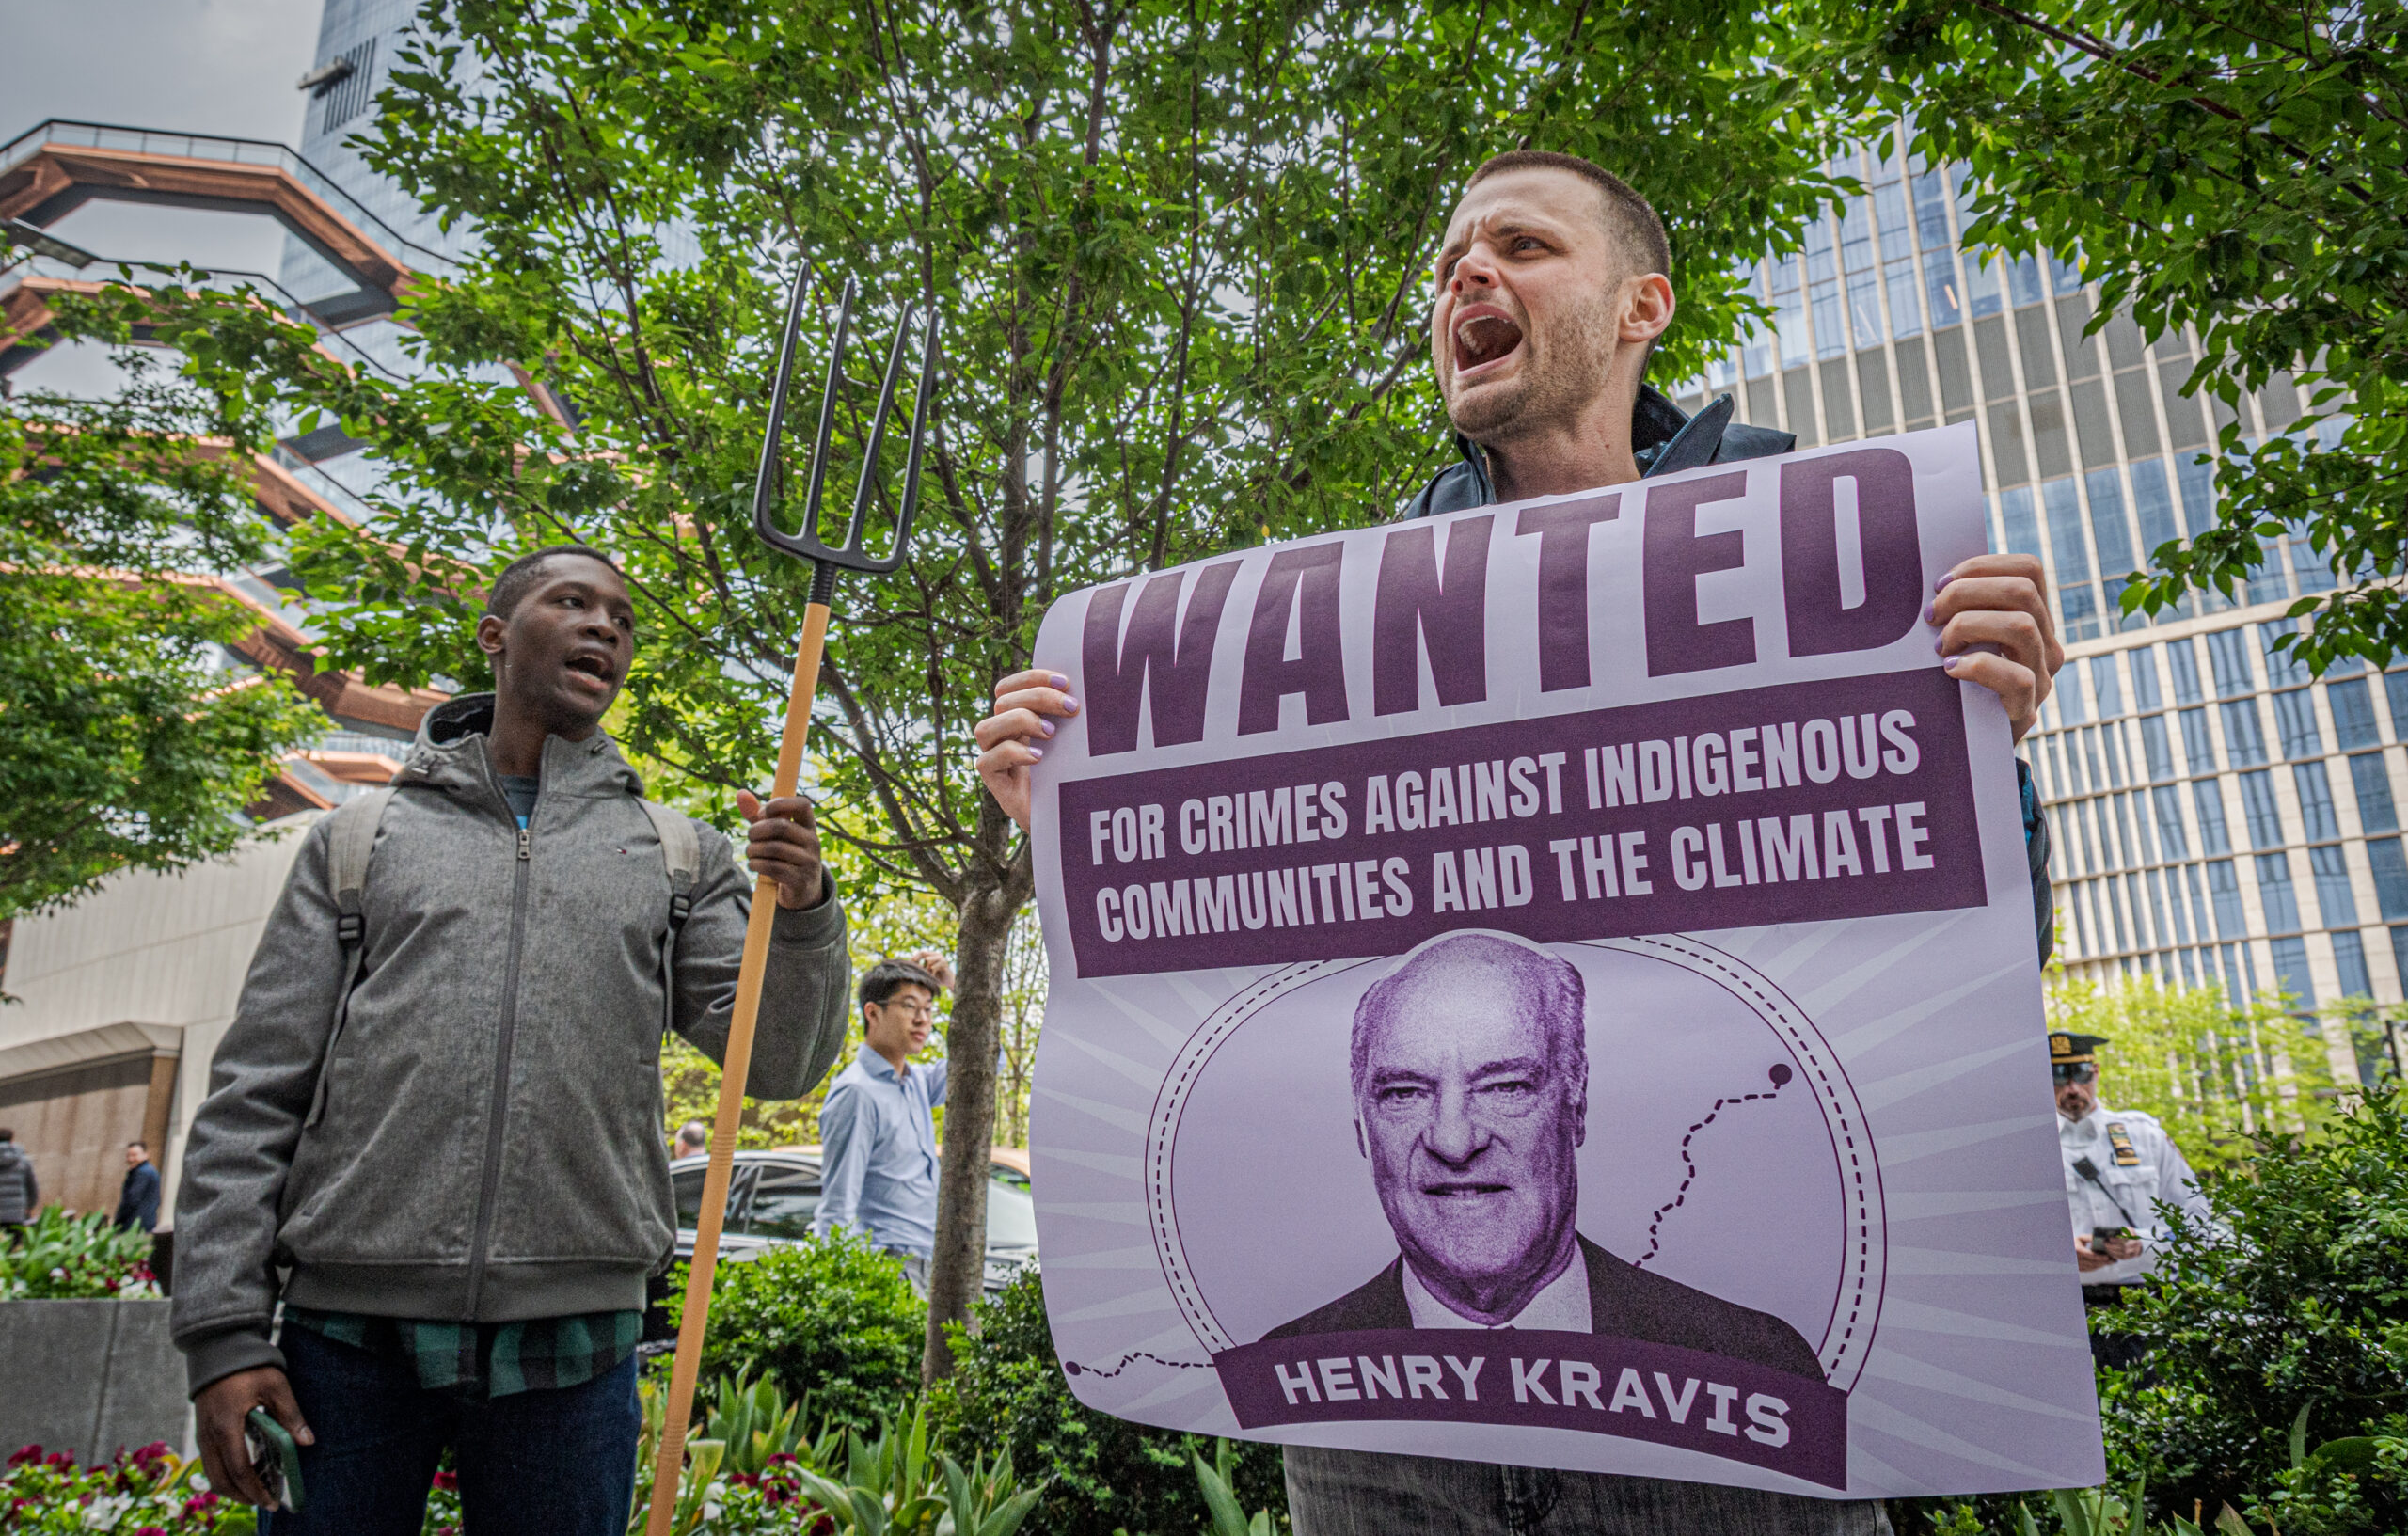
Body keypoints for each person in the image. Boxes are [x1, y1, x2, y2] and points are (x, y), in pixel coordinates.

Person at [976, 151, 2069, 1534]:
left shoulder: (1836, 564)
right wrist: (1082, 819)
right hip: (1384, 1456)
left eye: (1521, 246)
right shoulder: (1335, 619)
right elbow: (1233, 967)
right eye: (1446, 264)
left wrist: (1984, 749)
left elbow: (1984, 959)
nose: (1463, 278)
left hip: (1734, 1466)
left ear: (1640, 306)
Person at [170, 545, 855, 1533]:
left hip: (577, 1349)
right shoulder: (359, 842)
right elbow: (254, 1097)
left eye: (621, 617)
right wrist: (226, 1339)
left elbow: (779, 1061)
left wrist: (800, 912)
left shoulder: (678, 855)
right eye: (571, 602)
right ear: (496, 636)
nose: (605, 626)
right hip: (345, 1340)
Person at [1271, 932, 1820, 1377]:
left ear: (1575, 1101)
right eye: (1405, 1093)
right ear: (1361, 1124)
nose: (1454, 1141)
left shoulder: (1752, 1363)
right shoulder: (1289, 1368)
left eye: (1506, 1086)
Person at [2052, 1031, 2211, 1370]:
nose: (2072, 1089)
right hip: (2063, 1316)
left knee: (2159, 1419)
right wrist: (2060, 1254)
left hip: (2147, 1313)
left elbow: (2200, 1223)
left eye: (2080, 1074)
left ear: (2095, 1071)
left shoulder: (2144, 1136)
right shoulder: (2026, 1150)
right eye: (2057, 1076)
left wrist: (2146, 1242)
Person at [813, 951, 958, 1294]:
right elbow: (838, 1204)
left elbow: (985, 1062)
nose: (923, 1020)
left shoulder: (918, 1082)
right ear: (873, 1013)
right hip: (887, 1266)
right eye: (909, 1006)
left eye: (927, 1009)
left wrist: (956, 987)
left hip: (927, 1262)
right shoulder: (857, 1093)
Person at [116, 1141, 161, 1234]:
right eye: (128, 1155)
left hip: (134, 1226)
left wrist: (118, 1221)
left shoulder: (142, 1172)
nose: (131, 1158)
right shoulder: (150, 1170)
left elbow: (132, 1200)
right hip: (146, 1224)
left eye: (135, 1155)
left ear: (146, 1155)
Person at [0, 1128, 36, 1232]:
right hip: (16, 1214)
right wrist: (30, 1206)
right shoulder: (23, 1161)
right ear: (11, 1140)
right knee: (15, 1245)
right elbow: (32, 1186)